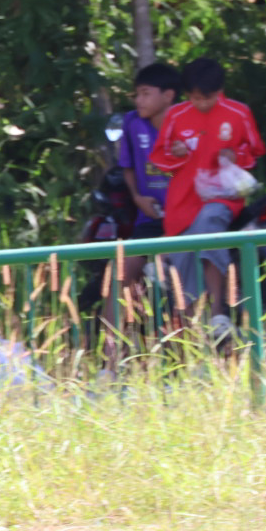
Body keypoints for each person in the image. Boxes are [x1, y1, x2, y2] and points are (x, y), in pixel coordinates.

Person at [148, 58, 266, 338]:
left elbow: (255, 151)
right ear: (186, 94)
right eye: (195, 98)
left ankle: (218, 311)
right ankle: (195, 334)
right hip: (183, 200)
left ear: (219, 91)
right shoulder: (175, 115)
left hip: (222, 197)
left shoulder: (238, 113)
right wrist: (175, 153)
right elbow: (159, 157)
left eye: (207, 98)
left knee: (208, 225)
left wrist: (235, 155)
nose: (201, 103)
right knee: (184, 257)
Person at [103, 62, 181, 338]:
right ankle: (110, 352)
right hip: (149, 218)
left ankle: (191, 349)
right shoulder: (132, 123)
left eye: (146, 93)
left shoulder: (188, 122)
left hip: (185, 221)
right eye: (137, 94)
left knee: (181, 277)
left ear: (168, 95)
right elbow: (127, 167)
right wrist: (137, 197)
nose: (139, 100)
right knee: (122, 270)